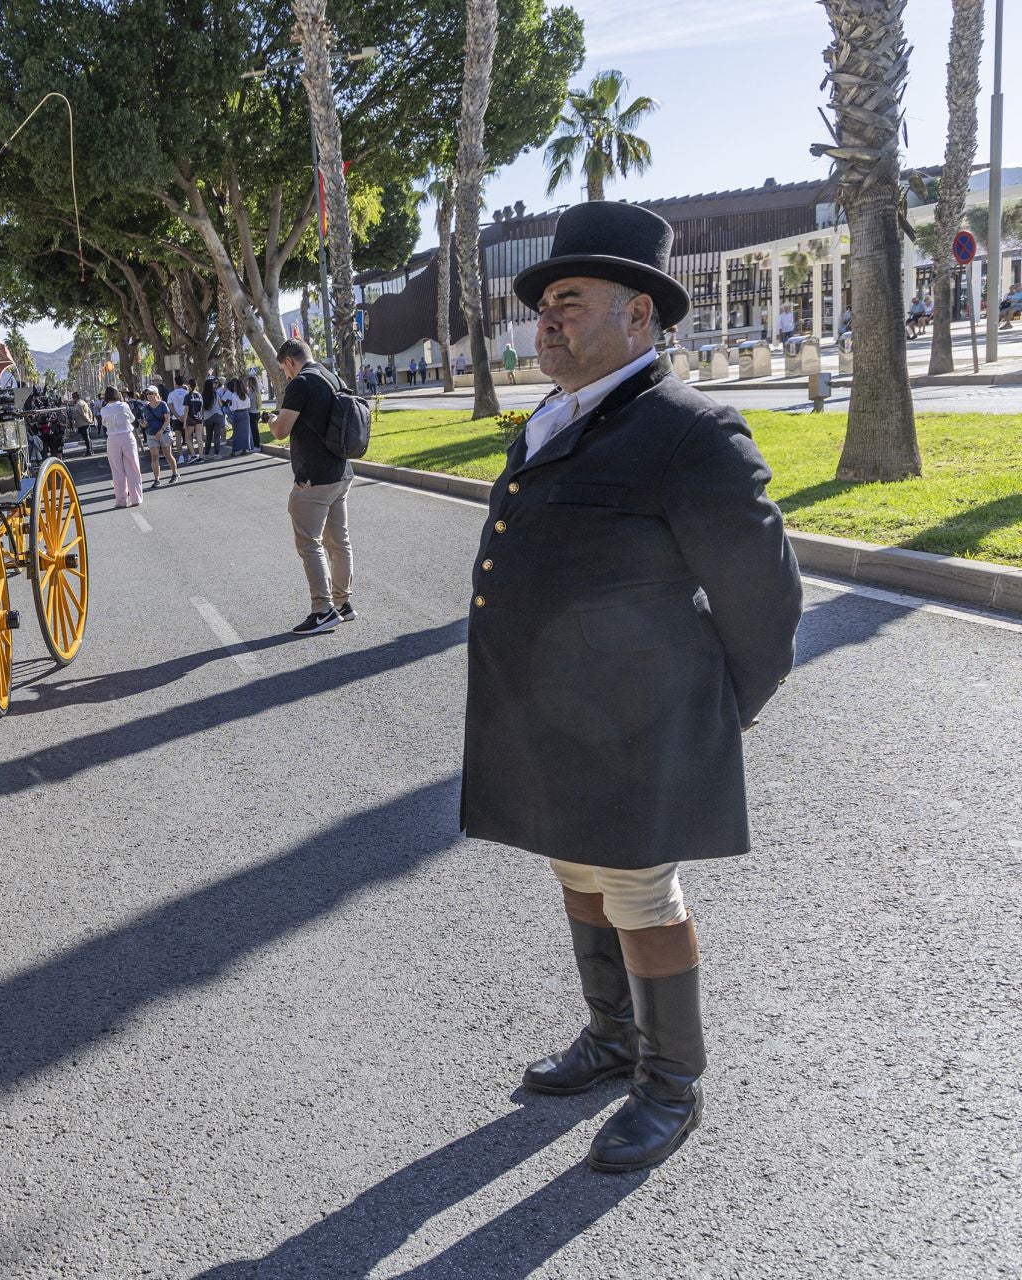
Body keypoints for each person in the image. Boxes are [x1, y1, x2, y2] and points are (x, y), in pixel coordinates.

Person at [467, 201, 802, 1176]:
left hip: (641, 725)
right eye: (542, 306)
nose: (547, 320)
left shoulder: (687, 430)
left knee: (639, 890)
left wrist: (708, 716)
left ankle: (669, 1081)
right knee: (577, 868)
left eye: (569, 301)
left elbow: (765, 603)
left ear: (642, 317)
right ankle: (611, 1040)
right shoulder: (554, 416)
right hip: (558, 722)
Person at [268, 339, 353, 635]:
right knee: (338, 542)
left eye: (284, 369)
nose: (286, 375)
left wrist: (271, 420)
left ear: (290, 361)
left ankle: (322, 610)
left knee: (309, 543)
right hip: (341, 471)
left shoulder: (301, 383)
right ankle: (343, 604)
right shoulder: (332, 376)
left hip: (314, 477)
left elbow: (280, 430)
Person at [99, 386, 143, 508]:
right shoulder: (124, 406)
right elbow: (132, 419)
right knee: (133, 468)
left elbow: (104, 423)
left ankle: (121, 500)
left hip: (112, 439)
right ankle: (135, 498)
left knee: (117, 470)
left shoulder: (104, 409)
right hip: (127, 437)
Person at [138, 387, 178, 488]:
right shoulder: (146, 407)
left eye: (151, 393)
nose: (148, 395)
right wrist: (143, 424)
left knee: (167, 455)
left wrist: (161, 431)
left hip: (164, 433)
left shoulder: (163, 404)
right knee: (154, 456)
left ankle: (174, 474)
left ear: (156, 394)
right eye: (147, 394)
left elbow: (167, 420)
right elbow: (146, 422)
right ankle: (156, 479)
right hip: (151, 434)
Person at [69, 391, 98, 455]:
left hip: (82, 423)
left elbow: (83, 414)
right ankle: (90, 450)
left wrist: (88, 420)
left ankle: (89, 451)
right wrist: (90, 419)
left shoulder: (78, 404)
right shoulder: (83, 402)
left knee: (86, 438)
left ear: (75, 397)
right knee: (88, 438)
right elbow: (89, 411)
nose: (73, 399)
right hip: (85, 423)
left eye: (73, 398)